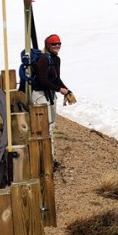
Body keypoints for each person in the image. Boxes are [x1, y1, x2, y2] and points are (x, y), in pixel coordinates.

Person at [30, 33, 73, 161]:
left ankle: (51, 157)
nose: (57, 46)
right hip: (39, 95)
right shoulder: (43, 59)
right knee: (45, 126)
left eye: (59, 43)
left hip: (50, 95)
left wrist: (67, 90)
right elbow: (43, 81)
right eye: (54, 44)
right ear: (48, 46)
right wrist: (59, 89)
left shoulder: (56, 59)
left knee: (51, 125)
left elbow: (56, 78)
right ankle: (46, 157)